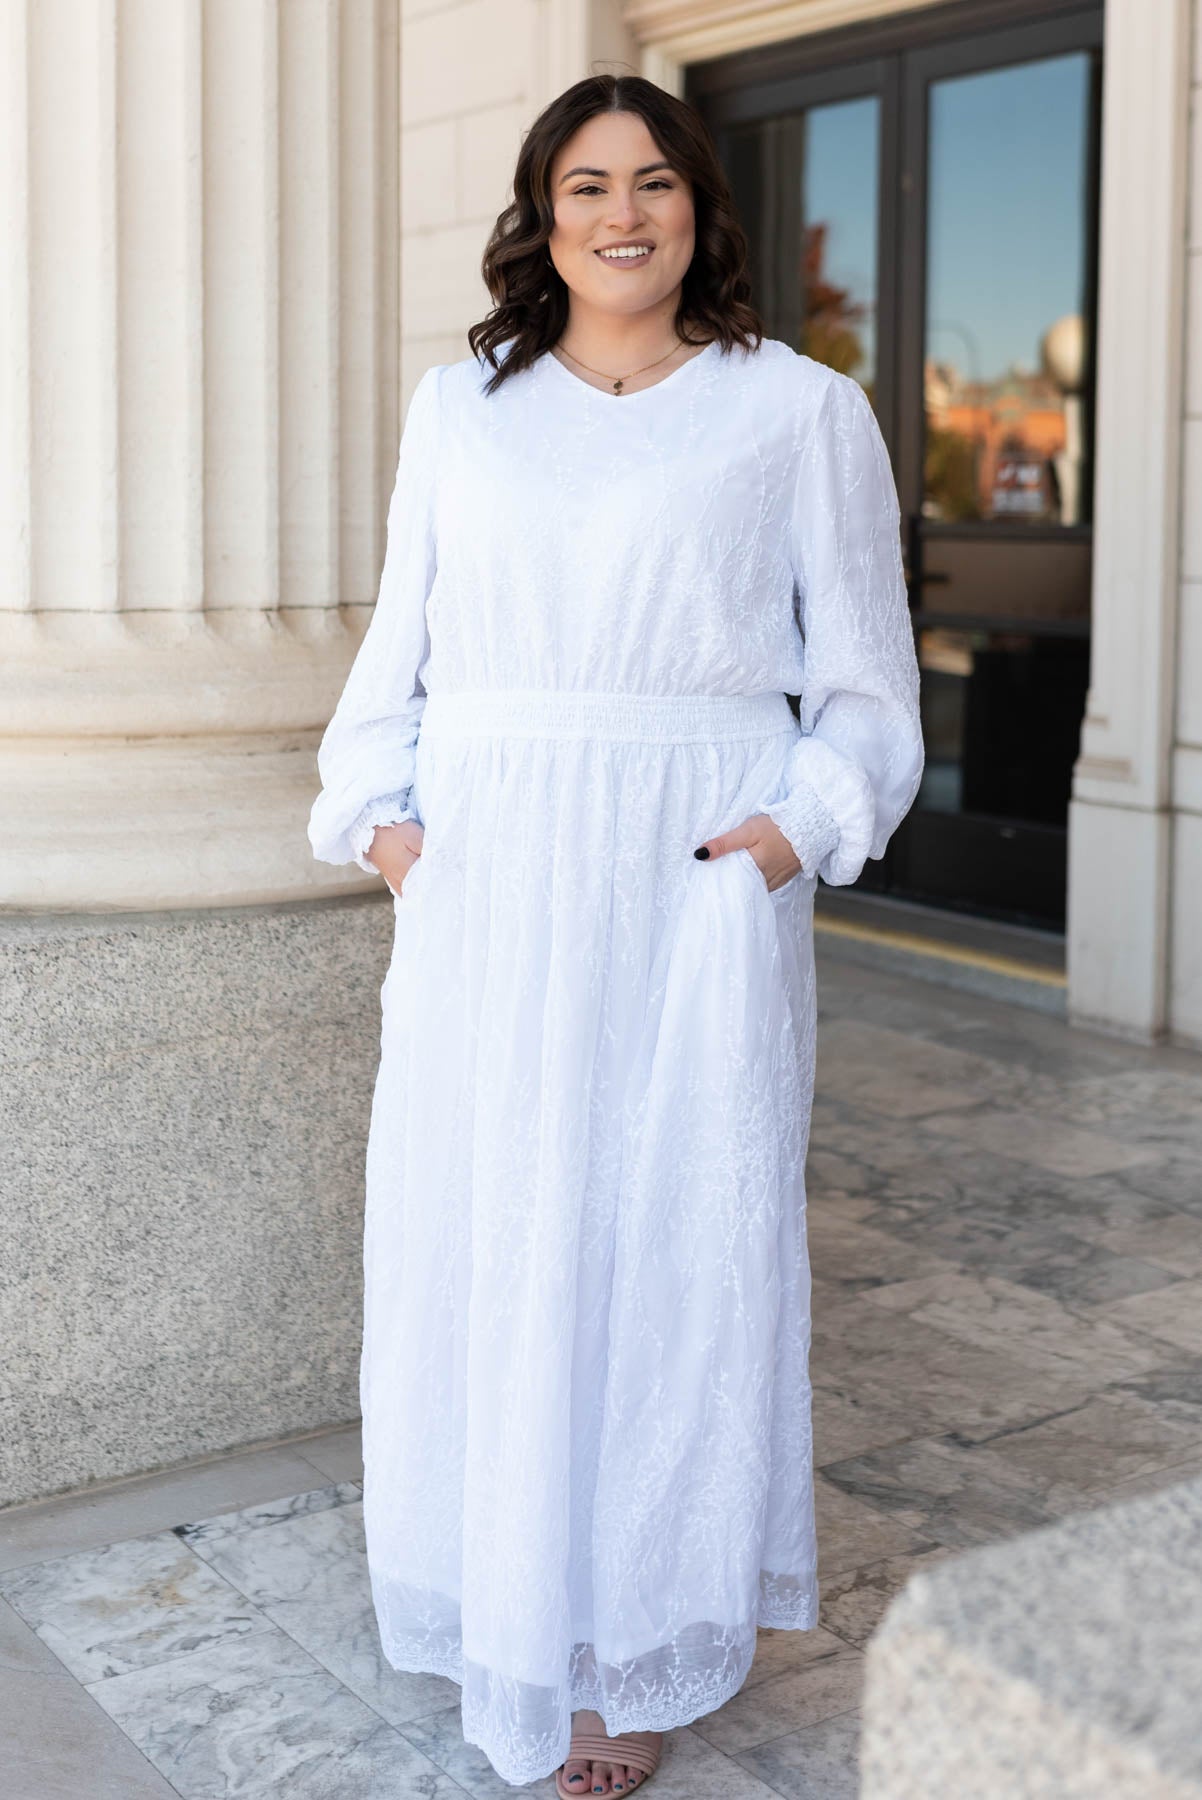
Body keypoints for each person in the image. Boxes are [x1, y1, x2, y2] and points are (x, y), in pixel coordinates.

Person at [308, 70, 923, 1796]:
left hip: (681, 883)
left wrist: (787, 839)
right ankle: (501, 1614)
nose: (620, 213)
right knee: (490, 1238)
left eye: (652, 182)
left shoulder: (795, 411)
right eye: (584, 185)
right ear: (542, 214)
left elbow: (866, 684)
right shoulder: (464, 408)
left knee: (665, 1252)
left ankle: (631, 1649)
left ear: (698, 211)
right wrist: (388, 822)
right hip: (492, 881)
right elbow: (397, 651)